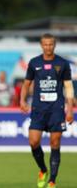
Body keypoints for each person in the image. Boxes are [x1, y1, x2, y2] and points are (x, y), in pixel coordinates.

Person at [20, 33, 74, 188]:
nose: (48, 47)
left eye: (51, 44)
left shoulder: (62, 63)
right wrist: (22, 101)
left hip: (56, 110)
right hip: (38, 110)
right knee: (33, 141)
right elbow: (26, 84)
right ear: (41, 45)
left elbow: (68, 87)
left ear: (54, 45)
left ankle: (52, 181)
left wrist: (70, 110)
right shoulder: (34, 62)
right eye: (45, 44)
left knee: (55, 143)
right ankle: (43, 170)